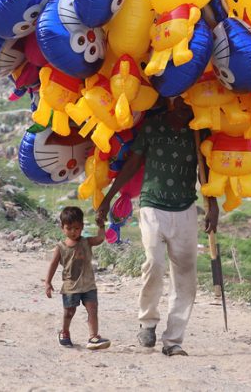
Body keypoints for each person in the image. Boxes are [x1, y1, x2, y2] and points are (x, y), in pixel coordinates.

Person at [96, 96, 219, 357]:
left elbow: (204, 171)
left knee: (186, 276)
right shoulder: (152, 126)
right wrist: (109, 197)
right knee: (155, 263)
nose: (186, 107)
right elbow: (133, 164)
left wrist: (213, 204)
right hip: (152, 205)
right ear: (172, 100)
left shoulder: (198, 131)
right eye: (182, 102)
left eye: (190, 103)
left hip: (185, 208)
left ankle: (173, 341)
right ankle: (147, 322)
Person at [44, 206, 111, 350]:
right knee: (69, 311)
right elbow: (53, 265)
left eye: (76, 228)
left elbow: (100, 238)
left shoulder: (86, 242)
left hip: (88, 285)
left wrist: (101, 225)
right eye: (69, 228)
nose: (73, 232)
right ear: (62, 228)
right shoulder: (61, 247)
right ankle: (65, 332)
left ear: (82, 227)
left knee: (92, 309)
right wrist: (48, 282)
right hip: (70, 286)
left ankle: (93, 337)